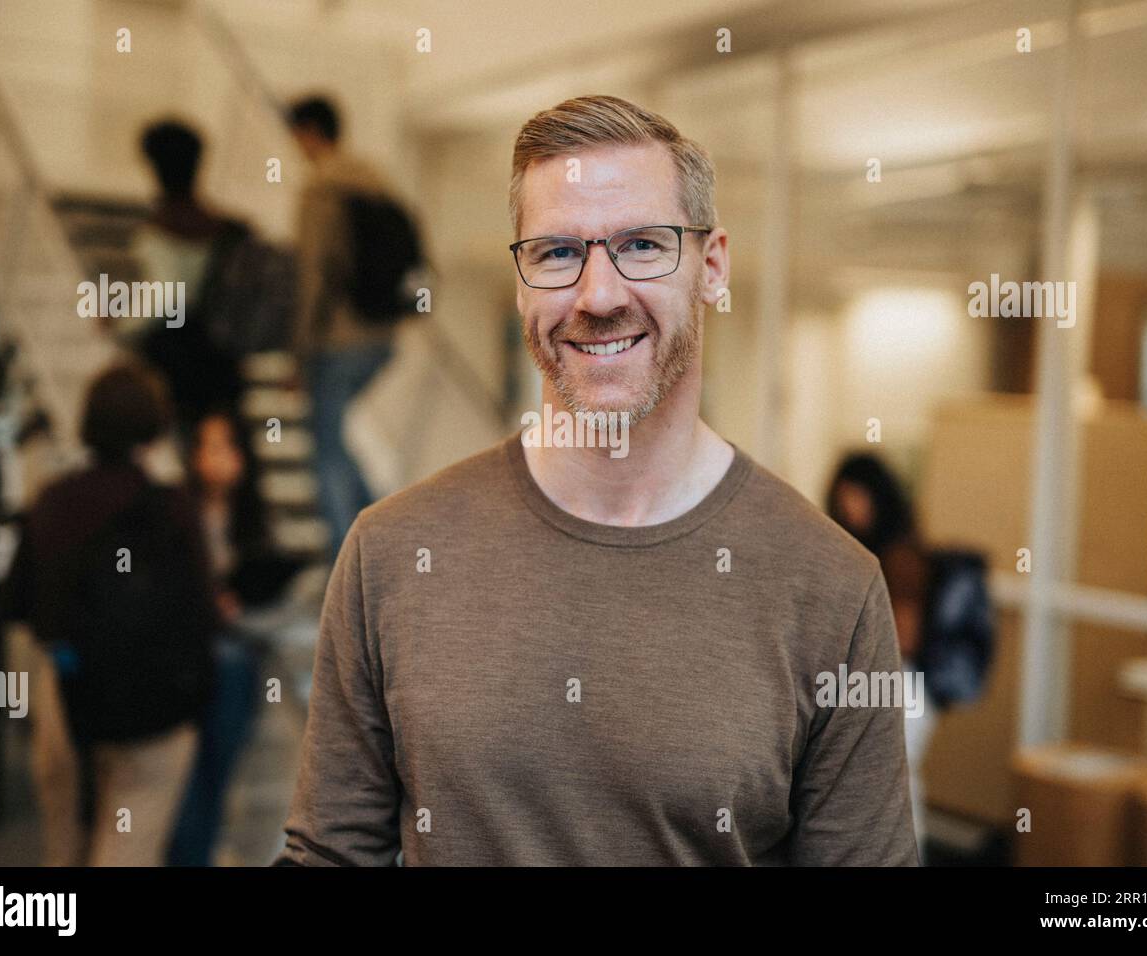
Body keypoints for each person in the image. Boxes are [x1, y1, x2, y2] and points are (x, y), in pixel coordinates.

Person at [276, 95, 918, 866]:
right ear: (521, 283)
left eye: (643, 245)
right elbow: (330, 857)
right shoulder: (390, 552)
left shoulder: (831, 588)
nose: (599, 295)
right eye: (555, 254)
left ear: (711, 267)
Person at [7, 363, 219, 866]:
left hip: (69, 695)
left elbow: (17, 602)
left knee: (65, 849)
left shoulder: (53, 502)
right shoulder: (171, 508)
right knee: (128, 847)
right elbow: (201, 612)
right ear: (156, 426)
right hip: (153, 709)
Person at [165, 409, 284, 866]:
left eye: (228, 447)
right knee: (190, 771)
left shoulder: (252, 515)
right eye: (211, 447)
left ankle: (202, 848)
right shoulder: (179, 512)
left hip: (237, 644)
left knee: (220, 762)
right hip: (192, 651)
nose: (221, 459)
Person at [287, 95, 396, 559]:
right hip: (380, 337)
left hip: (335, 341)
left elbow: (312, 275)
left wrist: (299, 350)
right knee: (336, 440)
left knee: (326, 451)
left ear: (309, 132)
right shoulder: (376, 183)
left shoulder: (321, 190)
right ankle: (381, 533)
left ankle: (345, 562)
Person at [827, 452, 936, 861]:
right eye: (844, 499)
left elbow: (904, 638)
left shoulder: (900, 556)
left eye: (859, 498)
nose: (851, 508)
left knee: (894, 783)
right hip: (865, 677)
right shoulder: (852, 549)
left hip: (898, 679)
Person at [126, 120, 247, 429]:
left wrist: (120, 323)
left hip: (176, 357)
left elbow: (165, 299)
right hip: (224, 356)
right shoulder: (227, 228)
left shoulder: (159, 231)